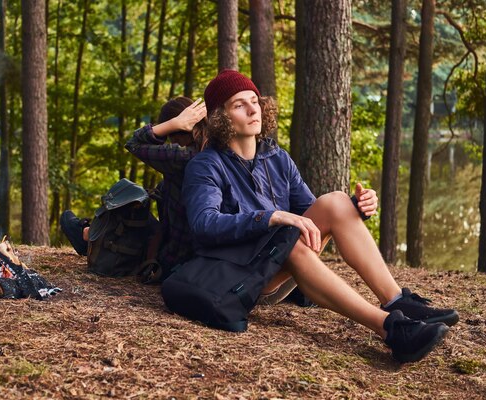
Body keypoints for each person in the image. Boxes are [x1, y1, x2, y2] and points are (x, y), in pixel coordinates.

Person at [181, 69, 459, 363]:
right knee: (293, 246)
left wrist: (355, 209)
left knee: (336, 201)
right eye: (239, 104)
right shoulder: (206, 165)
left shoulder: (276, 158)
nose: (253, 109)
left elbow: (312, 215)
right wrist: (270, 217)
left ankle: (397, 301)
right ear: (221, 118)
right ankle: (391, 330)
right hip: (244, 275)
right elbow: (204, 224)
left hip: (280, 259)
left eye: (255, 100)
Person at [60, 96, 207, 281]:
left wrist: (172, 123)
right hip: (198, 258)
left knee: (133, 201)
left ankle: (88, 236)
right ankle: (91, 234)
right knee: (157, 191)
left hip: (175, 259)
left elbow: (134, 143)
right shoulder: (214, 151)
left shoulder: (183, 157)